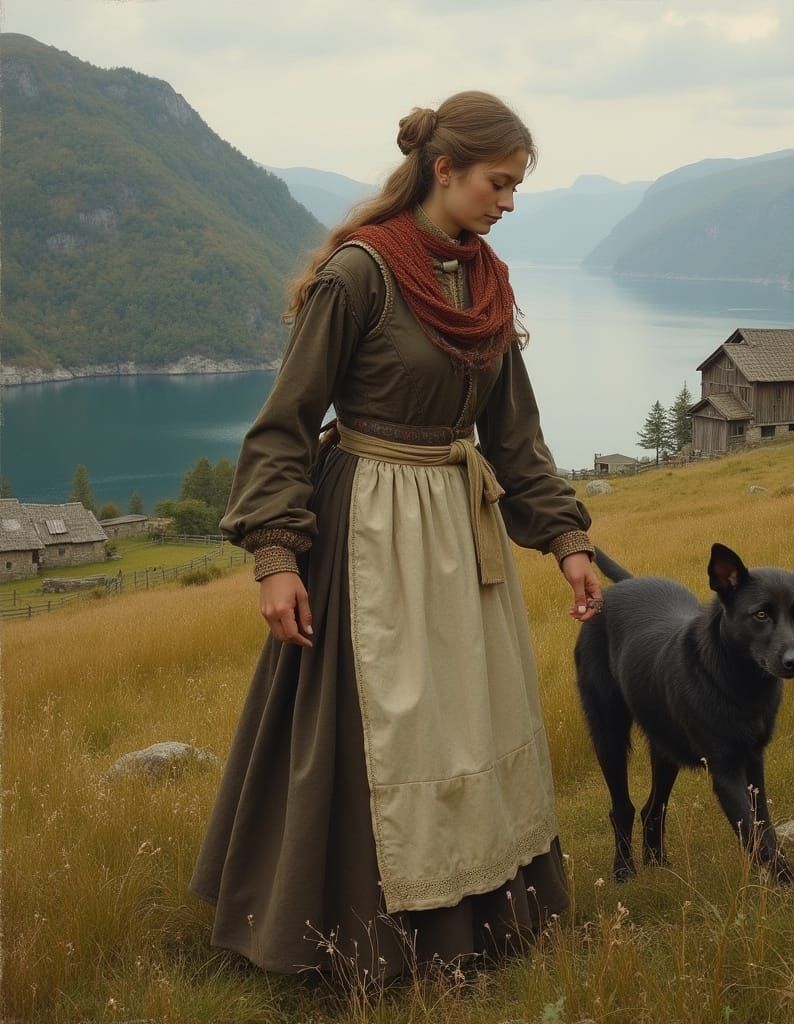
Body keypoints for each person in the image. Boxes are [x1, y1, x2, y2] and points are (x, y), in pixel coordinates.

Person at [188, 90, 603, 983]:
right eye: (498, 182)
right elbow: (286, 423)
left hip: (460, 530)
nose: (509, 202)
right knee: (384, 730)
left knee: (469, 723)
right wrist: (274, 557)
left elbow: (515, 436)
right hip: (368, 533)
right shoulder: (360, 275)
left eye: (518, 186)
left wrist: (567, 541)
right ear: (443, 169)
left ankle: (480, 922)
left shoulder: (486, 280)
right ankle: (352, 939)